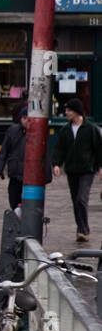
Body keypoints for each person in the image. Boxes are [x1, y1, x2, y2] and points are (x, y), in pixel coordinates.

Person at [51, 97, 102, 242]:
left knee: (81, 199)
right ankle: (80, 228)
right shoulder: (65, 130)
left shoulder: (90, 129)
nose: (66, 112)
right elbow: (59, 149)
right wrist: (56, 164)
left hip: (87, 170)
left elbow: (99, 149)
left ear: (77, 112)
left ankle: (84, 229)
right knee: (75, 200)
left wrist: (100, 167)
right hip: (72, 170)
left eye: (69, 110)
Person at [0, 104, 50, 212]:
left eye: (28, 118)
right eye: (23, 118)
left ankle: (26, 222)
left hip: (32, 176)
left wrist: (46, 177)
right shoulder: (13, 131)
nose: (26, 121)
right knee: (14, 199)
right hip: (16, 173)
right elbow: (4, 151)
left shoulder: (38, 133)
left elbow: (45, 156)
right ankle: (18, 218)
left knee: (30, 203)